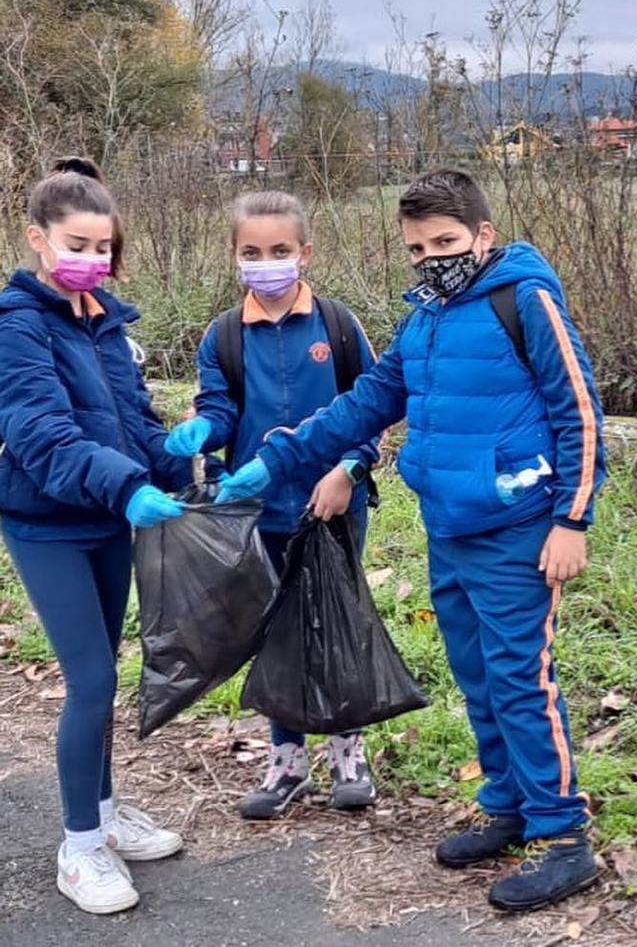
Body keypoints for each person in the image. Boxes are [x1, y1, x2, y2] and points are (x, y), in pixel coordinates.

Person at [215, 168, 606, 911]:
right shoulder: (424, 315)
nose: (433, 257)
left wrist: (571, 519)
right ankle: (507, 804)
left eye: (447, 242)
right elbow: (366, 402)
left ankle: (563, 837)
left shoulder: (524, 299)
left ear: (483, 236)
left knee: (523, 680)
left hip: (519, 528)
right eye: (418, 247)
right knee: (479, 675)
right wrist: (275, 457)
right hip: (448, 527)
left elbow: (579, 410)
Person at [0, 158, 189, 915]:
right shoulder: (16, 327)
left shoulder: (105, 319)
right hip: (48, 525)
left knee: (106, 668)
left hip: (113, 516)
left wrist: (177, 454)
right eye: (77, 242)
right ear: (37, 239)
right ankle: (78, 845)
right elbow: (40, 432)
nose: (92, 259)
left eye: (104, 247)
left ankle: (105, 816)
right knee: (92, 679)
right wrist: (124, 483)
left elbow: (134, 422)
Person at [163, 190, 382, 820]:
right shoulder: (224, 336)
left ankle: (348, 749)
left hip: (333, 503)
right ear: (235, 257)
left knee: (335, 621)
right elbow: (219, 408)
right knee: (273, 631)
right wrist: (203, 431)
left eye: (280, 251)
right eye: (253, 252)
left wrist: (348, 468)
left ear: (305, 253)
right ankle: (286, 759)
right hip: (256, 509)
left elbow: (370, 410)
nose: (268, 263)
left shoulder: (338, 326)